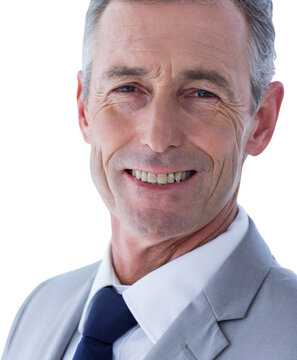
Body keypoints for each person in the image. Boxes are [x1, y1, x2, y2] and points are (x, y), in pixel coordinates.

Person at [2, 0, 297, 359]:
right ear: (84, 109)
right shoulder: (39, 310)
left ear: (262, 121)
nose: (157, 137)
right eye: (127, 88)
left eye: (203, 93)